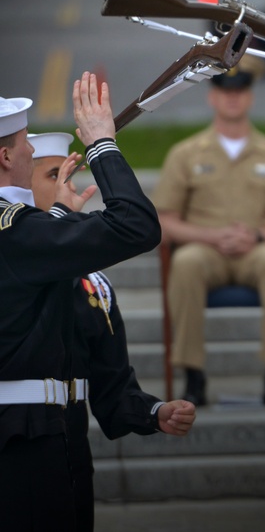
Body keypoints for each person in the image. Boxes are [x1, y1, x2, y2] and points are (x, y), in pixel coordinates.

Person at [0, 73, 161, 530]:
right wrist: (101, 144)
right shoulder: (17, 233)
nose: (31, 152)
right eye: (23, 145)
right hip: (25, 438)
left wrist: (56, 220)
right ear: (6, 155)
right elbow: (136, 226)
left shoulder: (20, 234)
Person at [29, 132, 196, 531]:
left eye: (69, 176)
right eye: (55, 175)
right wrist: (57, 223)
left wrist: (155, 412)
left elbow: (111, 385)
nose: (67, 188)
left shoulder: (92, 285)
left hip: (68, 447)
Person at [153, 56, 265, 406]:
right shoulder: (184, 154)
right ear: (212, 96)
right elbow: (164, 220)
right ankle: (193, 375)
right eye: (225, 90)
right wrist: (210, 236)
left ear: (250, 96)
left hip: (257, 248)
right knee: (185, 264)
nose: (232, 97)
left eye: (240, 90)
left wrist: (259, 237)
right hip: (204, 248)